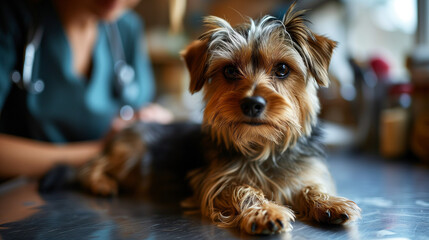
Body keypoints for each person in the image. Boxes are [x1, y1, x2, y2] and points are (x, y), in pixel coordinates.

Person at [0, 0, 173, 179]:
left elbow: (138, 112)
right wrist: (102, 153)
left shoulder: (127, 28)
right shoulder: (12, 17)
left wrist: (153, 125)